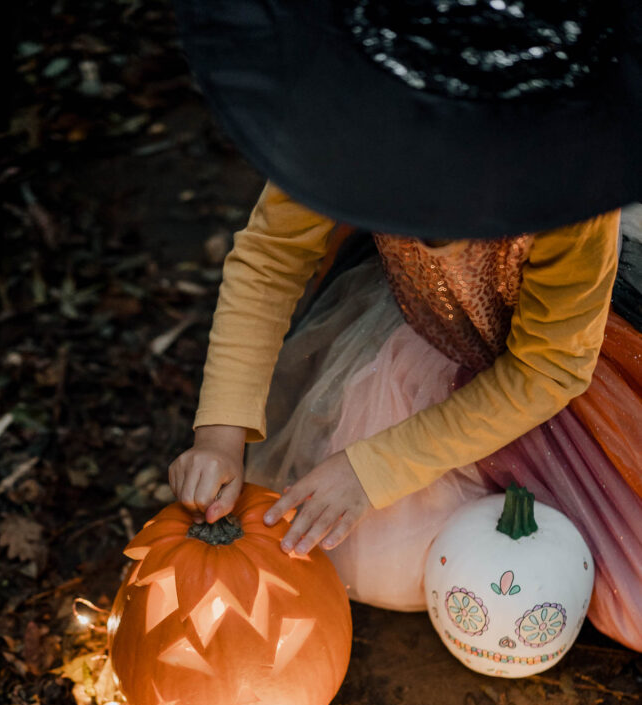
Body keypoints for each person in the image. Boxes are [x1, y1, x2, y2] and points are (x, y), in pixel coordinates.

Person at [168, 1, 642, 650]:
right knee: (374, 562)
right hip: (426, 326)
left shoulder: (572, 197)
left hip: (550, 372)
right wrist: (220, 432)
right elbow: (271, 260)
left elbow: (548, 366)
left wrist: (374, 469)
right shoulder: (340, 122)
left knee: (631, 599)